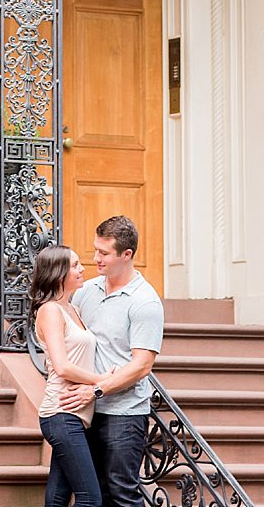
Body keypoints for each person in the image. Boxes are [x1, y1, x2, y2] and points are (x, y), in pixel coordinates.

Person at [71, 215, 165, 506]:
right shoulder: (86, 291)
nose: (95, 259)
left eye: (104, 253)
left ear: (127, 255)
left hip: (123, 415)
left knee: (120, 493)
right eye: (95, 250)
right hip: (84, 409)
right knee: (90, 493)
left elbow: (142, 365)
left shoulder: (145, 302)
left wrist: (96, 389)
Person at [30, 245, 123, 507]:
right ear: (58, 272)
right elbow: (62, 366)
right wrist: (101, 380)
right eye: (74, 265)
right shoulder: (50, 310)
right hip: (61, 413)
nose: (82, 269)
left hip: (75, 415)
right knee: (90, 498)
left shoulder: (73, 310)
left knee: (59, 495)